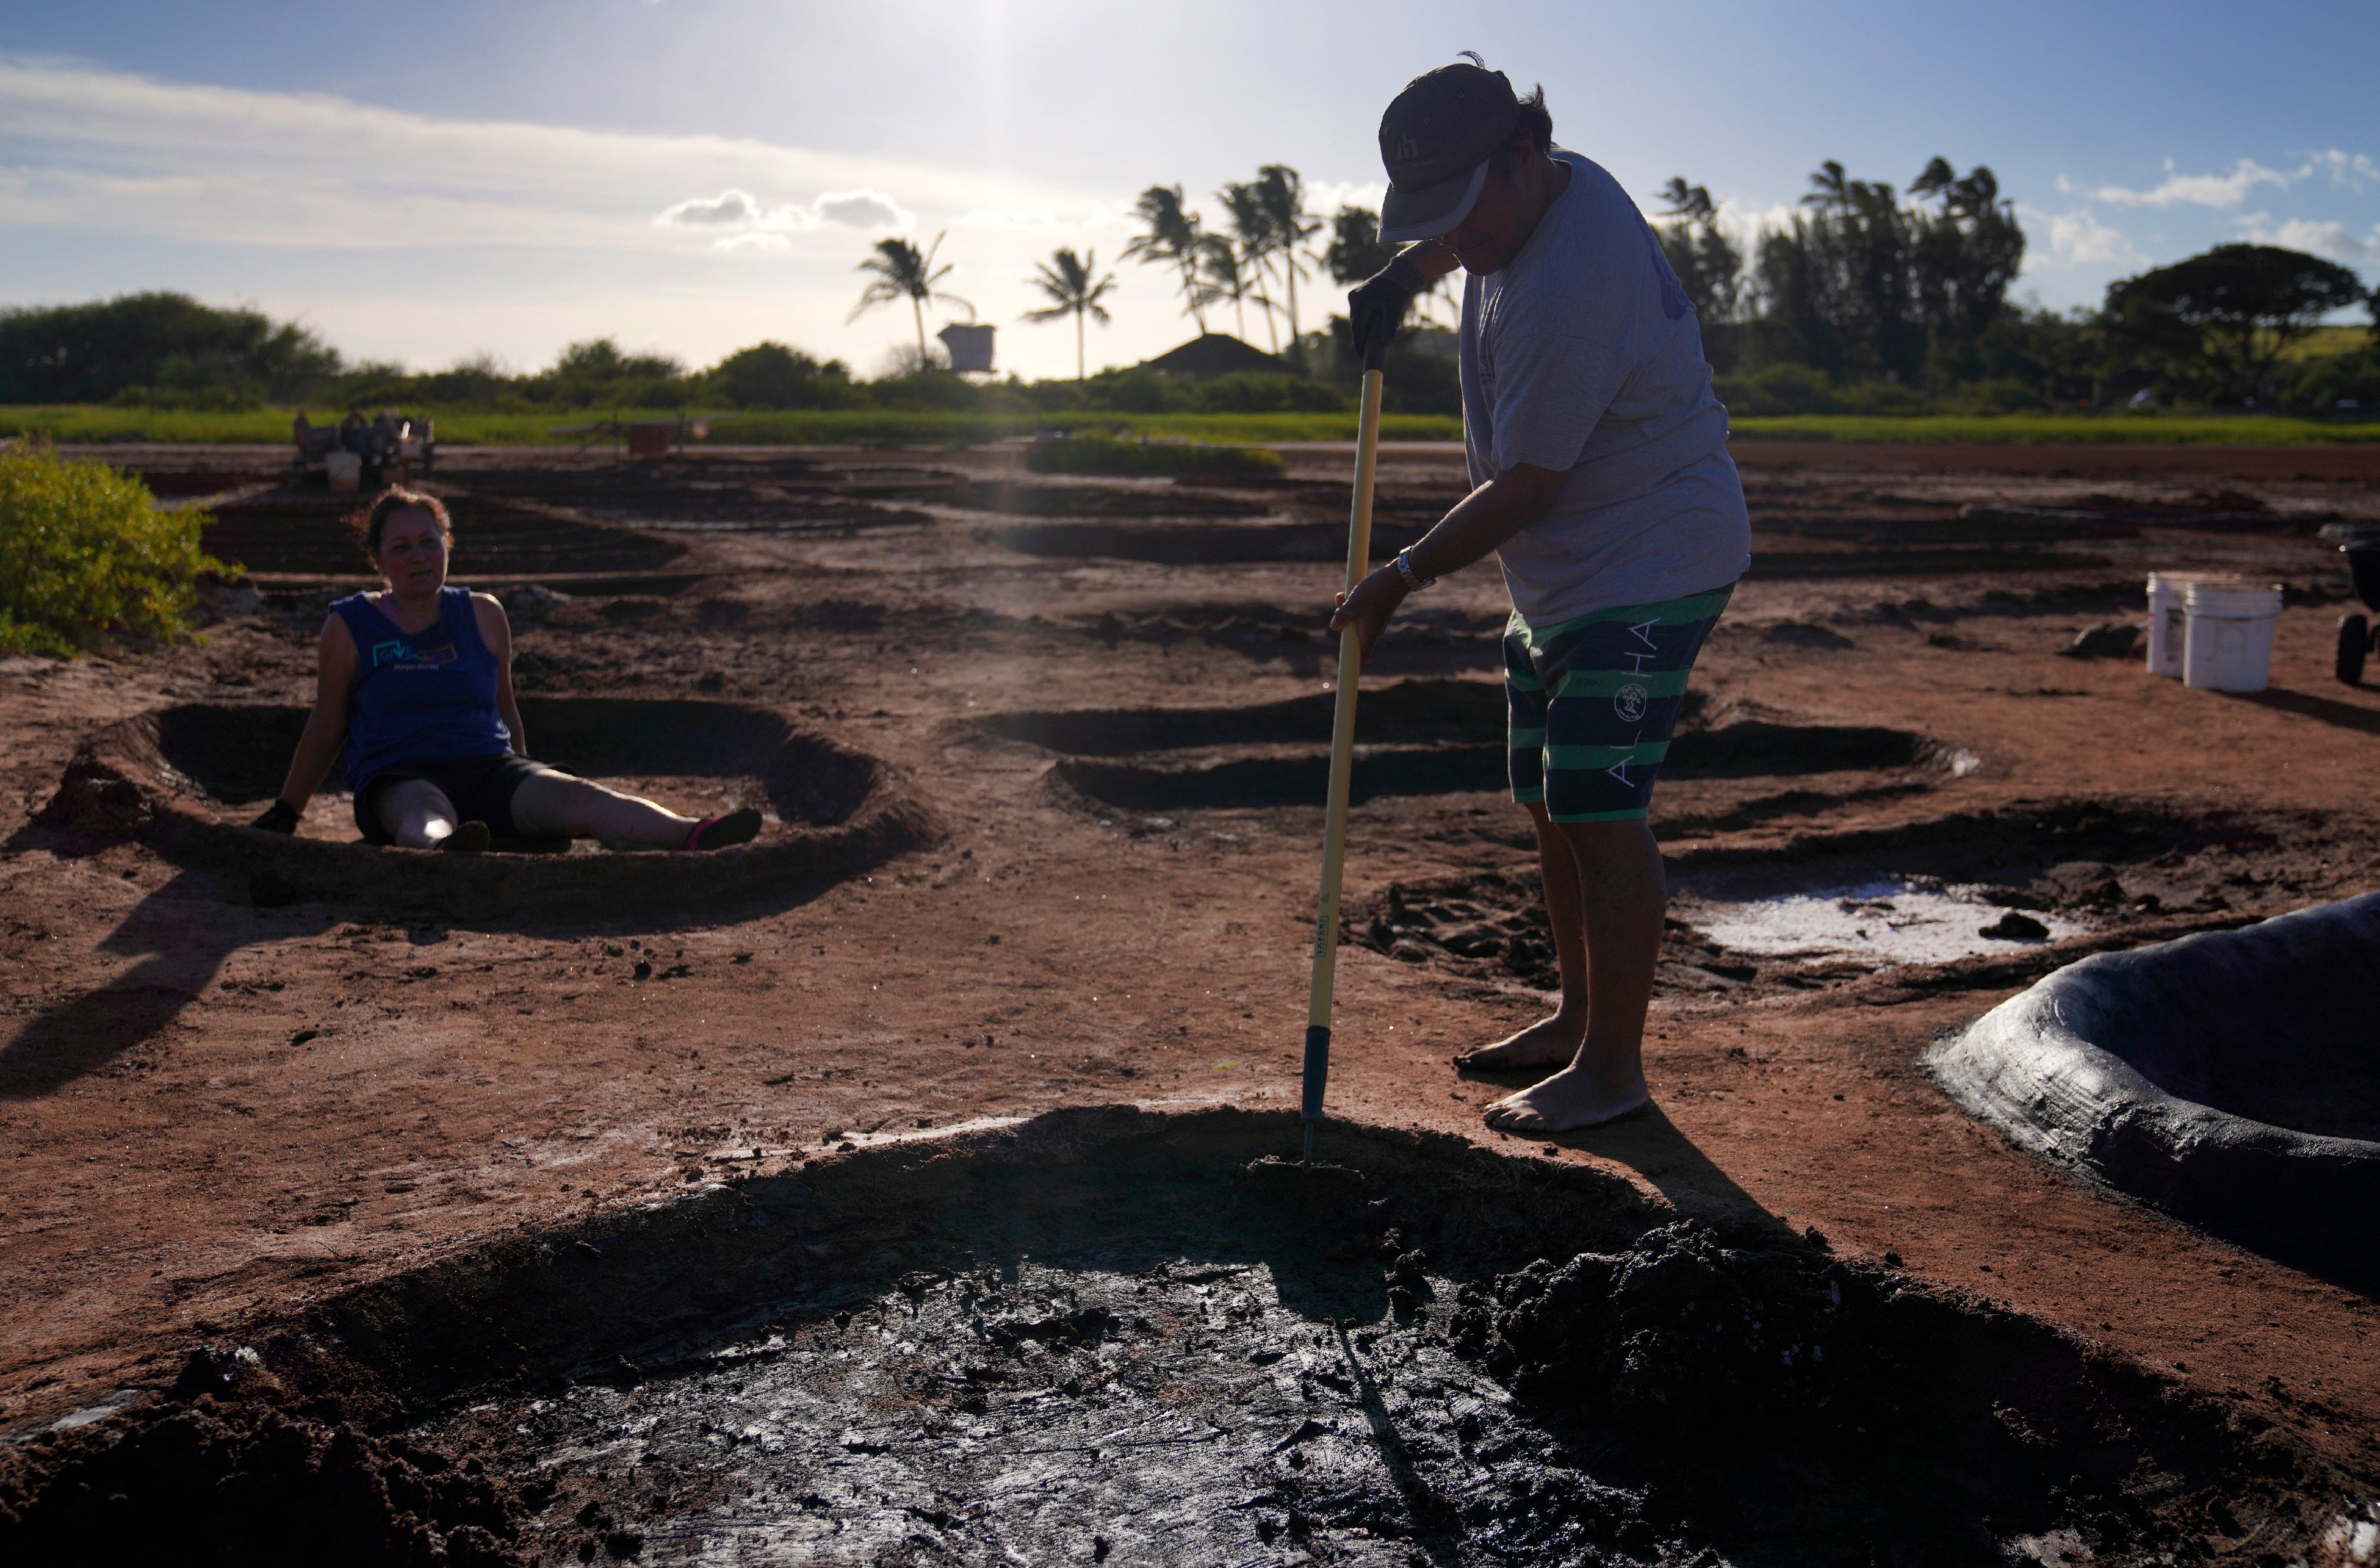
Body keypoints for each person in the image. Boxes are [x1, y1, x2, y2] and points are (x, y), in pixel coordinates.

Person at [1328, 57, 1750, 1134]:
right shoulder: (1535, 190)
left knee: (1599, 810)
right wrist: (1407, 278)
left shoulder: (1574, 280)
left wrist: (1399, 578)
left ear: (1523, 154)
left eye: (1465, 217)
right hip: (1565, 570)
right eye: (1437, 223)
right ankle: (1574, 1017)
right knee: (1547, 801)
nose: (1458, 242)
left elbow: (1526, 487)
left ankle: (1615, 1074)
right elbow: (1466, 232)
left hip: (1650, 557)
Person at [250, 487, 762, 855]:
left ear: (447, 544)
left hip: (487, 766)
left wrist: (527, 785)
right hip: (397, 776)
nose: (419, 557)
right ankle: (447, 851)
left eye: (429, 542)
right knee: (424, 810)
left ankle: (693, 833)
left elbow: (505, 710)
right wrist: (288, 810)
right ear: (379, 560)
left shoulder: (483, 614)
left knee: (577, 796)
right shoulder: (350, 624)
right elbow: (327, 724)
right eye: (400, 547)